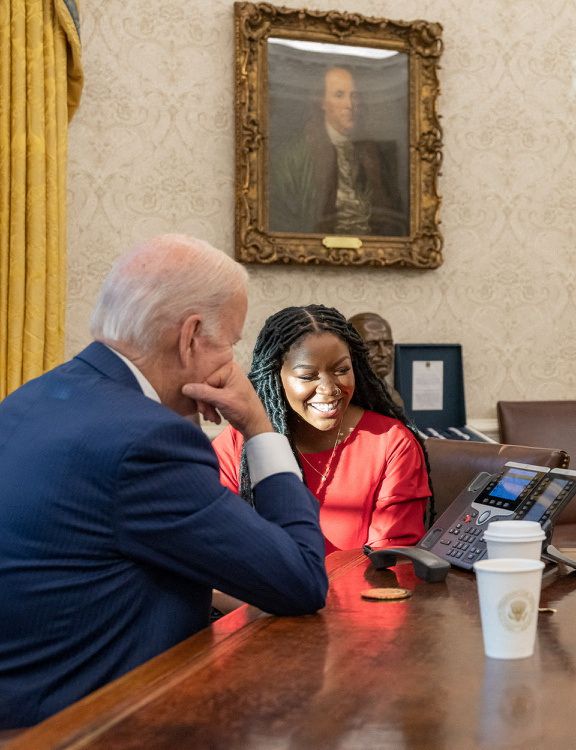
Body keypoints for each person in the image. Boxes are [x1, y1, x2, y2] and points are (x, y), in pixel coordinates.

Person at [0, 235, 328, 729]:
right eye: (231, 342)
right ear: (191, 336)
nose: (233, 364)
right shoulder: (145, 441)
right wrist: (260, 427)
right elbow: (300, 581)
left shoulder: (34, 399)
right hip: (88, 725)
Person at [212, 305, 430, 553]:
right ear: (275, 376)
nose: (329, 388)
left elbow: (389, 560)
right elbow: (221, 551)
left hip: (360, 592)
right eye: (307, 376)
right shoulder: (237, 448)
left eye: (342, 370)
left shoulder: (390, 443)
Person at [270, 65, 406, 236]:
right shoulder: (293, 156)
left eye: (354, 96)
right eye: (339, 95)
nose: (349, 105)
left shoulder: (373, 155)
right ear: (322, 102)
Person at [348, 310, 404, 408]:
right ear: (351, 349)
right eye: (372, 345)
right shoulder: (346, 397)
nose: (383, 353)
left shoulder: (393, 396)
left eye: (387, 344)